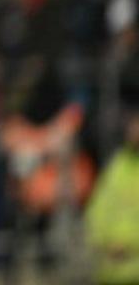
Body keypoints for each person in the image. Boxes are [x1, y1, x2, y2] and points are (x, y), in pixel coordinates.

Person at [85, 112, 139, 284]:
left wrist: (129, 245)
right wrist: (105, 243)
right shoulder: (117, 165)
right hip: (110, 272)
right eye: (133, 126)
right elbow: (97, 209)